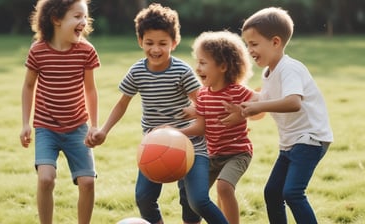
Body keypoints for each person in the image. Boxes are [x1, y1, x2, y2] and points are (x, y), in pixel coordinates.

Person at [85, 3, 228, 224]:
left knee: (195, 201)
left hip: (192, 146)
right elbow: (122, 103)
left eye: (163, 43)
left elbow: (204, 106)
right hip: (154, 147)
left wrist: (181, 130)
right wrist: (103, 130)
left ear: (174, 42)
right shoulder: (137, 71)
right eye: (149, 43)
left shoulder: (182, 71)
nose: (156, 49)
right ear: (140, 41)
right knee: (143, 197)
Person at [240, 7, 334, 224]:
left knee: (292, 192)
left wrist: (258, 105)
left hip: (310, 139)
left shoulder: (289, 68)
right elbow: (262, 101)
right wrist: (241, 109)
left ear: (275, 42)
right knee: (272, 192)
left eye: (254, 44)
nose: (249, 50)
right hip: (290, 143)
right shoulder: (269, 72)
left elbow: (293, 102)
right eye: (247, 44)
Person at [19, 0, 100, 223]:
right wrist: (26, 123)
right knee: (46, 179)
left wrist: (93, 126)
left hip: (77, 128)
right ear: (56, 19)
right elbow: (28, 86)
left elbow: (91, 90)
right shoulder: (38, 51)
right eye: (77, 16)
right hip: (46, 127)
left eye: (85, 17)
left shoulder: (86, 51)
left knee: (88, 182)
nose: (83, 22)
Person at [177, 30, 255, 224]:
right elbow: (200, 127)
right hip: (212, 155)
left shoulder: (238, 92)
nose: (197, 68)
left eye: (203, 63)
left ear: (222, 66)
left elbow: (261, 106)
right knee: (194, 194)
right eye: (197, 62)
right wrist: (176, 133)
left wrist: (242, 111)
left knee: (224, 187)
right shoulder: (202, 95)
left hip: (238, 153)